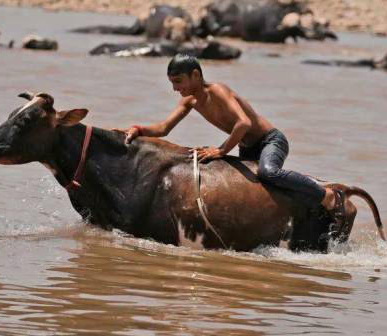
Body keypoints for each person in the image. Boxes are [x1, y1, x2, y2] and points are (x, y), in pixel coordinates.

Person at [121, 53, 346, 231]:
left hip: (270, 141)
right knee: (244, 193)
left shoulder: (217, 90)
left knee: (268, 173)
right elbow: (164, 128)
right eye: (172, 83)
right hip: (246, 147)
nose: (175, 88)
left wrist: (221, 150)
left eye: (179, 81)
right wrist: (138, 129)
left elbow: (244, 123)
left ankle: (325, 195)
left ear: (196, 75)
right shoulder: (190, 101)